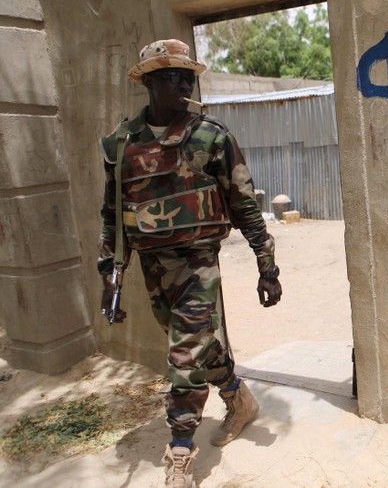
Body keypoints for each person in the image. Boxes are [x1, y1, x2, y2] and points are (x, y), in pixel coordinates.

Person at [97, 39, 282, 488]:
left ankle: (180, 451)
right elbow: (112, 214)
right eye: (168, 76)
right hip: (152, 265)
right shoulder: (122, 144)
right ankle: (239, 398)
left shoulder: (211, 137)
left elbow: (244, 204)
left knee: (183, 354)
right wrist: (110, 272)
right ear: (148, 83)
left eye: (186, 76)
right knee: (198, 348)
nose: (180, 84)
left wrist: (267, 263)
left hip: (199, 262)